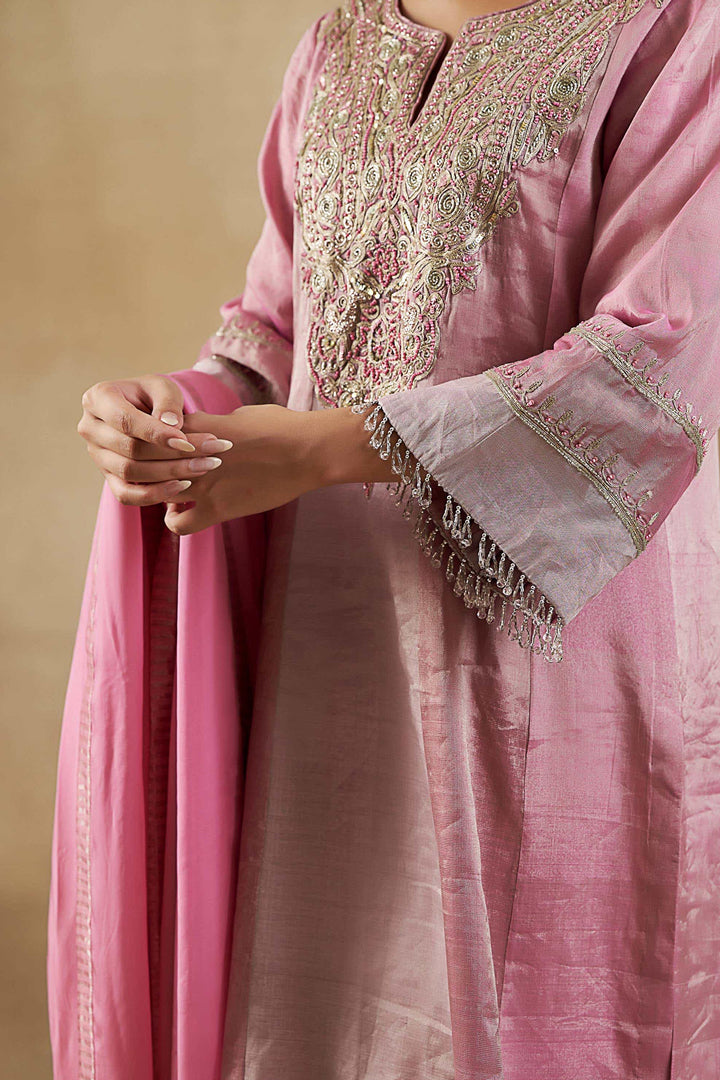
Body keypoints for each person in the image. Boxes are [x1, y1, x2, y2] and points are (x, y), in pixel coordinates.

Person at [65, 0, 720, 1076]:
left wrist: (328, 448)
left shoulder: (671, 29)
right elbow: (276, 334)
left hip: (551, 672)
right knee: (326, 1013)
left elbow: (655, 363)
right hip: (331, 662)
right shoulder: (341, 41)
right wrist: (173, 411)